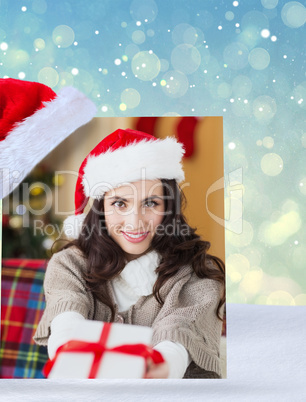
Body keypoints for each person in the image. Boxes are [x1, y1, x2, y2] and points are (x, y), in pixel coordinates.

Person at [33, 128, 226, 379]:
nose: (135, 222)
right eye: (119, 203)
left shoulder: (198, 275)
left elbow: (179, 336)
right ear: (100, 208)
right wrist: (72, 352)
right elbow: (66, 320)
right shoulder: (69, 264)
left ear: (168, 208)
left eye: (150, 203)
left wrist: (158, 367)